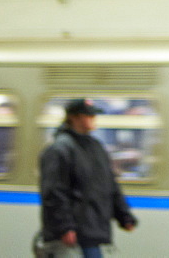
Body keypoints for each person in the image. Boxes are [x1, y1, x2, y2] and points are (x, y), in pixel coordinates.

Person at [38, 99, 137, 257]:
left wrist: (123, 214)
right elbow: (54, 191)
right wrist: (64, 227)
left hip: (91, 229)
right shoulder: (59, 149)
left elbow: (109, 184)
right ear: (74, 118)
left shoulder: (95, 147)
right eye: (88, 116)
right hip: (72, 232)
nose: (92, 119)